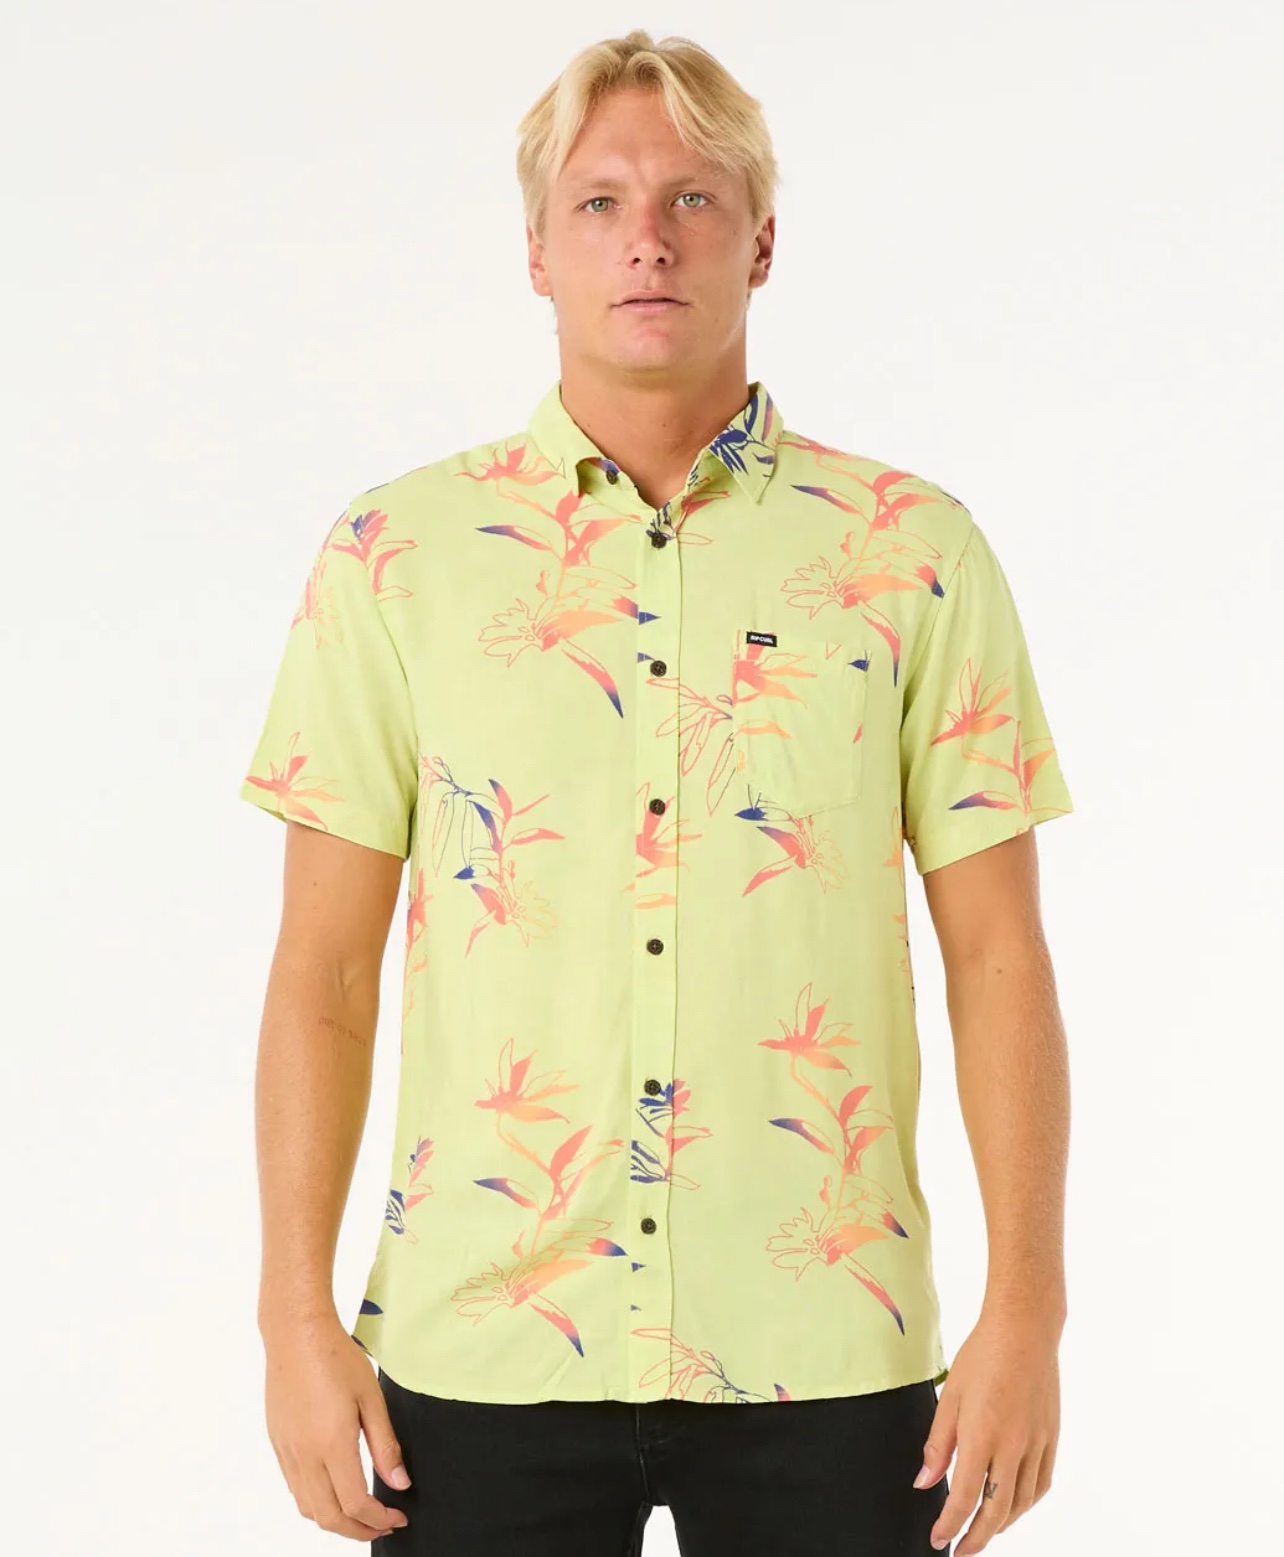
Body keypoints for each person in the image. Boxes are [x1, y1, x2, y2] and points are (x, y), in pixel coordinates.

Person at [240, 28, 1074, 1557]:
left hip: (828, 1343)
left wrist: (1029, 1310)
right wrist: (293, 1316)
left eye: (694, 198)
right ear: (536, 253)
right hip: (480, 1347)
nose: (647, 238)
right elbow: (327, 972)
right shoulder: (397, 559)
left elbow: (1000, 956)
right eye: (600, 202)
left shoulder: (914, 554)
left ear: (763, 241)